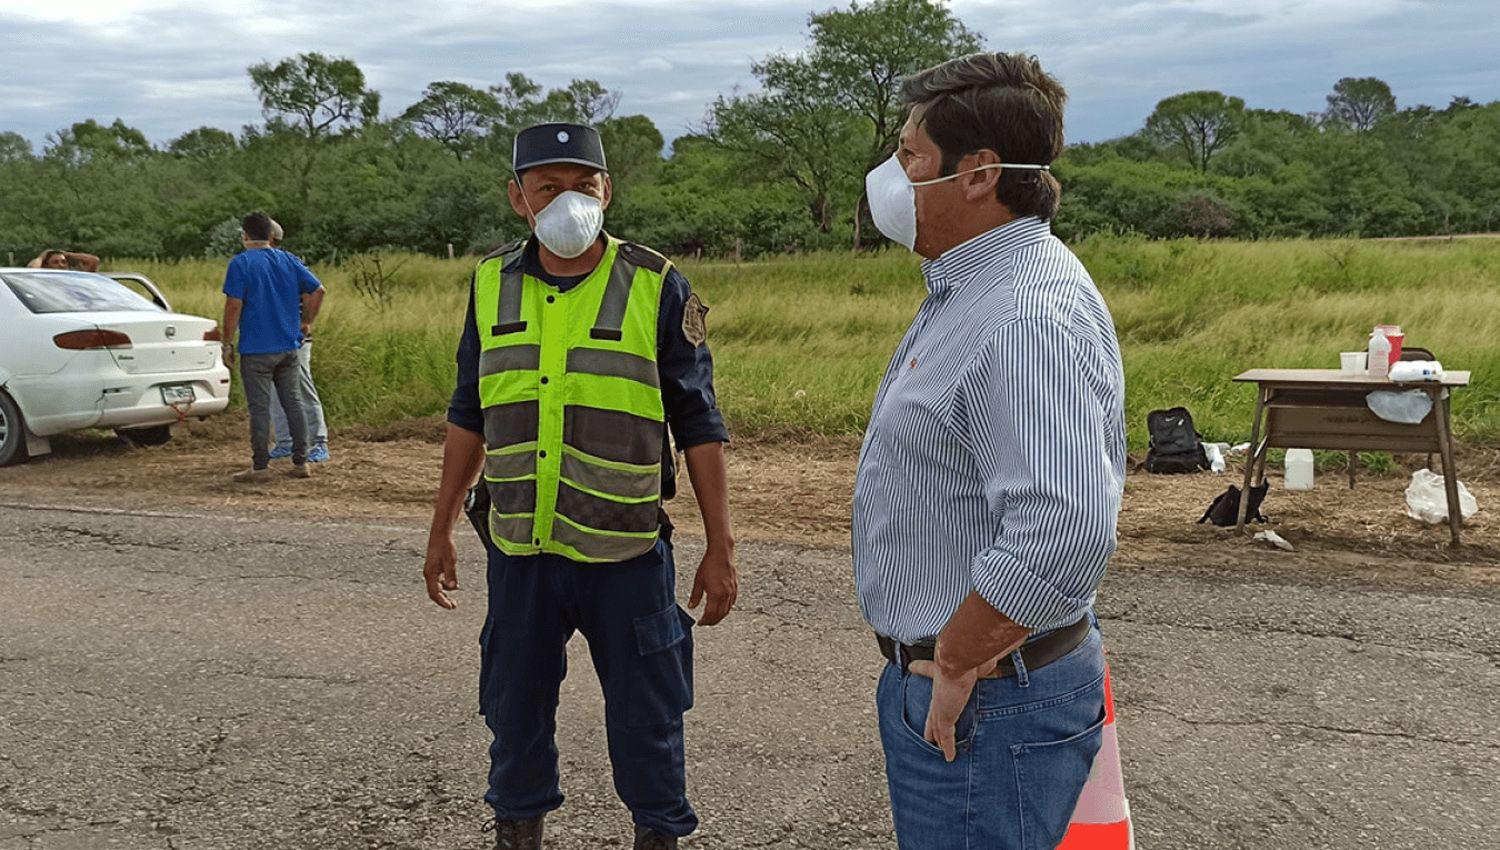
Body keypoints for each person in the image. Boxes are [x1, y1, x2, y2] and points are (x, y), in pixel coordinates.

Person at [422, 122, 738, 850]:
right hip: (520, 549)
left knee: (647, 716)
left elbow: (699, 421)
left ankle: (658, 834)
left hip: (625, 553)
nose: (569, 202)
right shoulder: (488, 281)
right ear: (517, 198)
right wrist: (439, 526)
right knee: (514, 707)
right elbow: (469, 409)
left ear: (608, 190)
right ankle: (518, 829)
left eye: (584, 186)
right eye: (548, 188)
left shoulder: (656, 283)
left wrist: (721, 546)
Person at [852, 53, 1126, 850]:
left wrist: (959, 662)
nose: (892, 178)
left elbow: (1064, 529)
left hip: (989, 697)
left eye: (910, 158)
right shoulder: (971, 286)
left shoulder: (1021, 316)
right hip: (977, 685)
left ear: (977, 174)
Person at [220, 212, 325, 483]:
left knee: (259, 408)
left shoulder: (240, 264)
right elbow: (318, 290)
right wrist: (306, 322)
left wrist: (227, 342)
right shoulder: (288, 259)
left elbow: (233, 306)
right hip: (288, 346)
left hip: (256, 349)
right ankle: (301, 461)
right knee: (294, 402)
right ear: (270, 235)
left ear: (245, 235)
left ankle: (260, 466)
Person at [265, 219, 330, 463]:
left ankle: (319, 442)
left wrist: (305, 323)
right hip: (270, 339)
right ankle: (285, 442)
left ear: (270, 237)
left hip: (293, 338)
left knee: (301, 387)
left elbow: (316, 290)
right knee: (275, 391)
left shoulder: (289, 262)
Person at [28, 249, 100, 272]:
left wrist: (66, 254)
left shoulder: (71, 277)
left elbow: (94, 261)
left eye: (63, 262)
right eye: (55, 262)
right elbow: (31, 270)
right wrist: (41, 257)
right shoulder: (41, 279)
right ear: (46, 265)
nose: (61, 265)